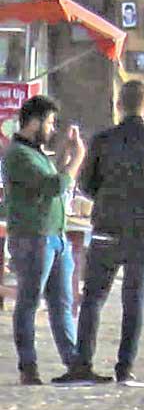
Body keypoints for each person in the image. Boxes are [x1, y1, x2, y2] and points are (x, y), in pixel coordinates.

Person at [55, 81, 144, 387]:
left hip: (107, 230)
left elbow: (86, 185)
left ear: (118, 106)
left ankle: (82, 365)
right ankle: (125, 370)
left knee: (94, 298)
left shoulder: (102, 141)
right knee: (134, 300)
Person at [2, 95, 84, 385]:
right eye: (49, 123)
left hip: (54, 237)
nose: (52, 129)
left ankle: (75, 364)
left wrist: (64, 156)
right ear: (34, 122)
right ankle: (28, 366)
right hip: (33, 238)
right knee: (28, 302)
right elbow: (53, 186)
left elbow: (52, 179)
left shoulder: (36, 153)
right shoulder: (18, 155)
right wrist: (78, 159)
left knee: (62, 303)